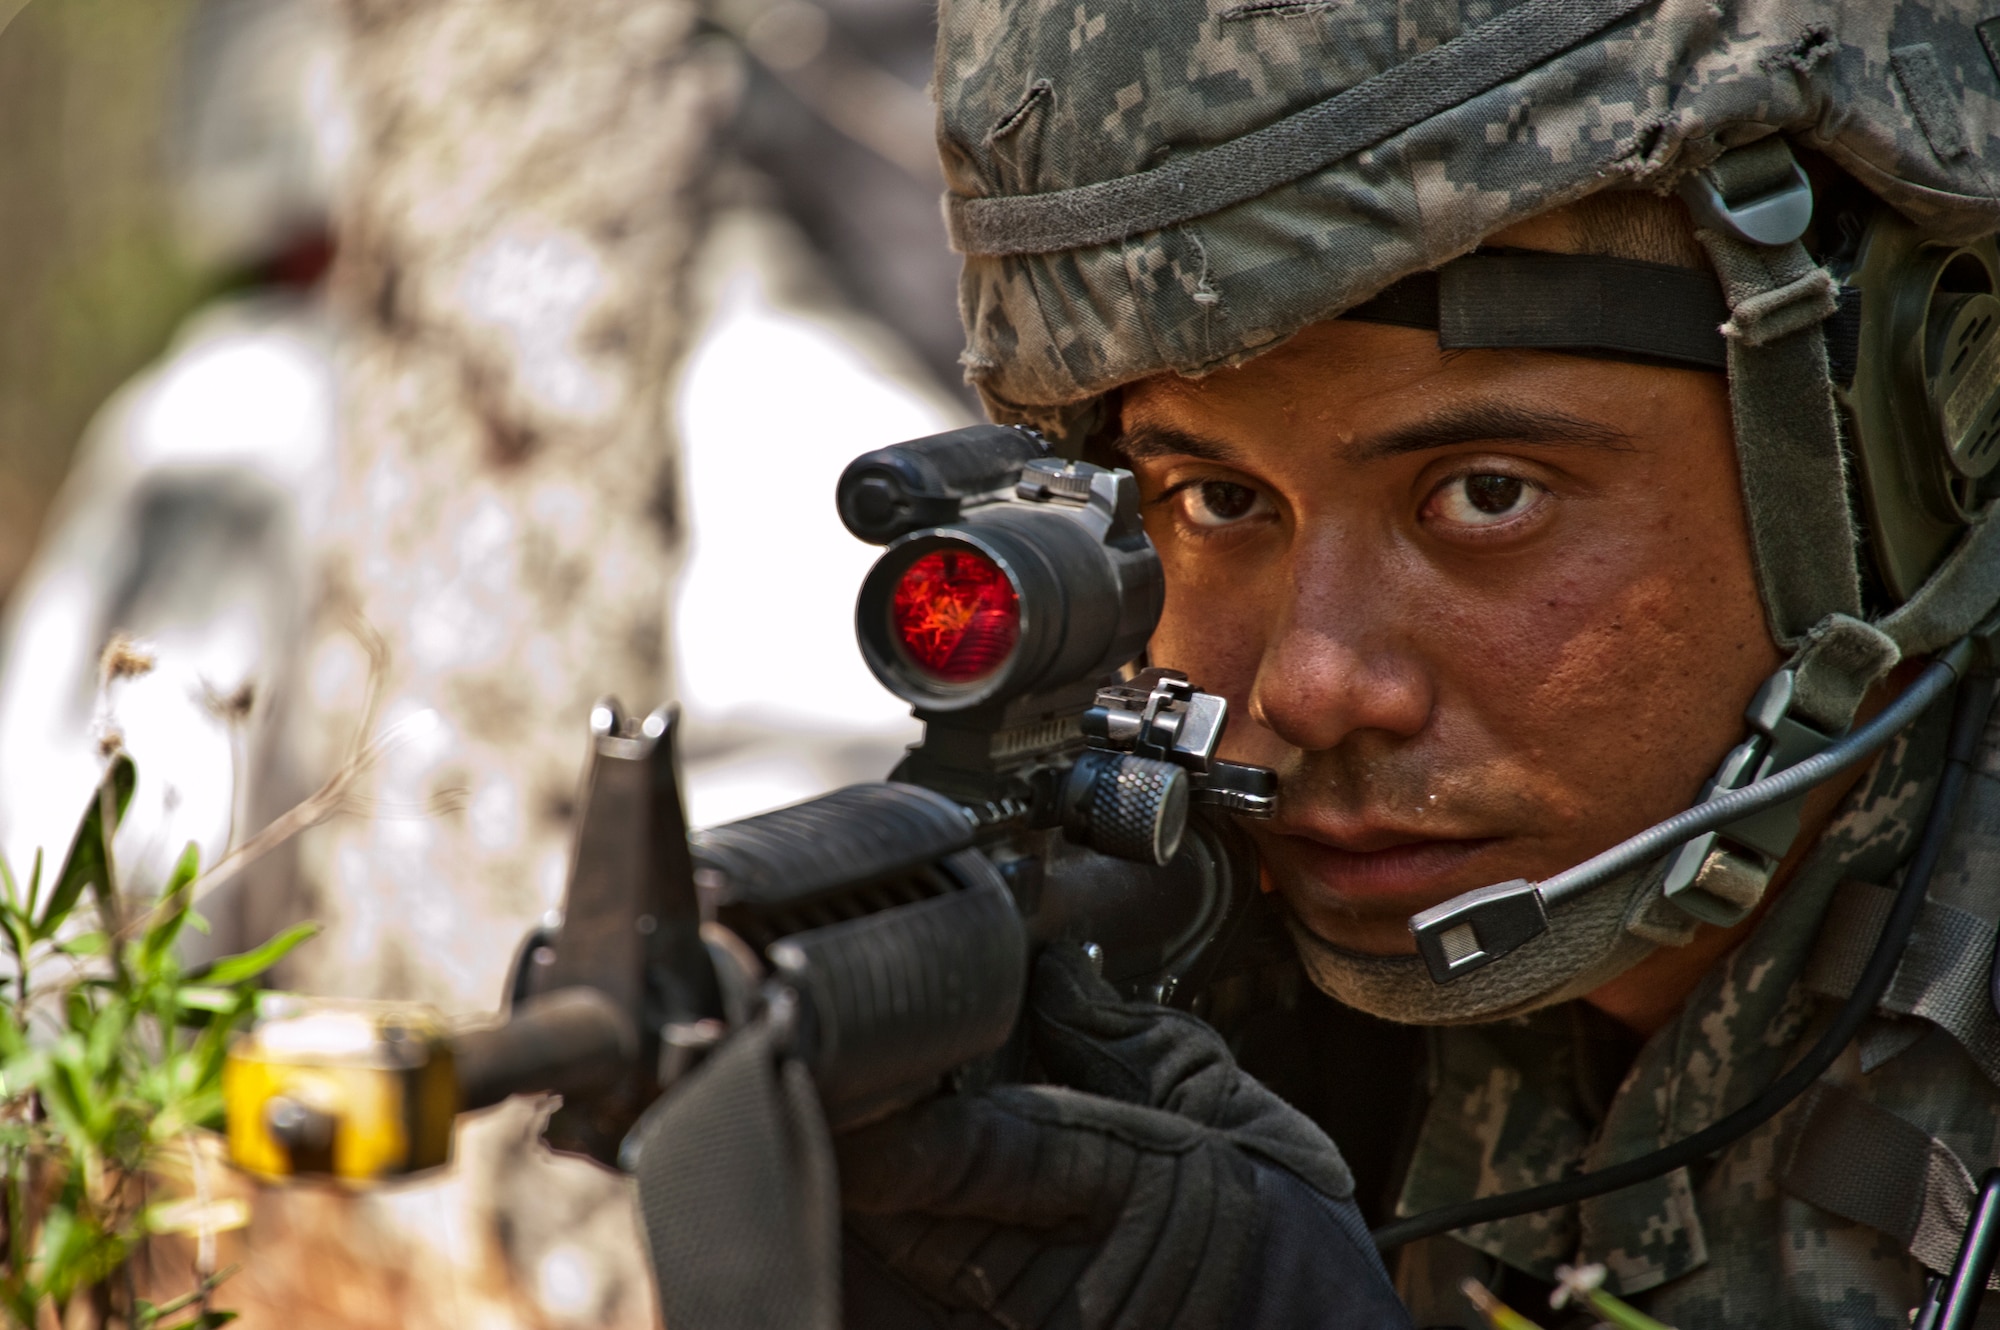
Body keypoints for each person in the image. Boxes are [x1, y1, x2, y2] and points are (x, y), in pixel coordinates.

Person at [836, 0, 2000, 1325]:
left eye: (1489, 491)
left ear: (1903, 448)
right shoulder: (1166, 970)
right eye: (1215, 499)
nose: (1314, 687)